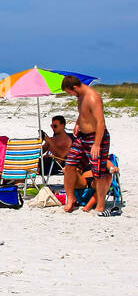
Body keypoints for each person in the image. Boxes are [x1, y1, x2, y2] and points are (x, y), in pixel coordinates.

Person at [61, 76, 111, 214]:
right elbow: (83, 113)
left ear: (75, 88)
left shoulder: (92, 97)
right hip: (82, 138)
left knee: (98, 173)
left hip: (97, 137)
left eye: (69, 92)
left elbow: (101, 122)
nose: (70, 95)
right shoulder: (80, 96)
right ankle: (70, 198)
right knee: (69, 165)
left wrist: (96, 144)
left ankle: (100, 205)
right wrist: (78, 123)